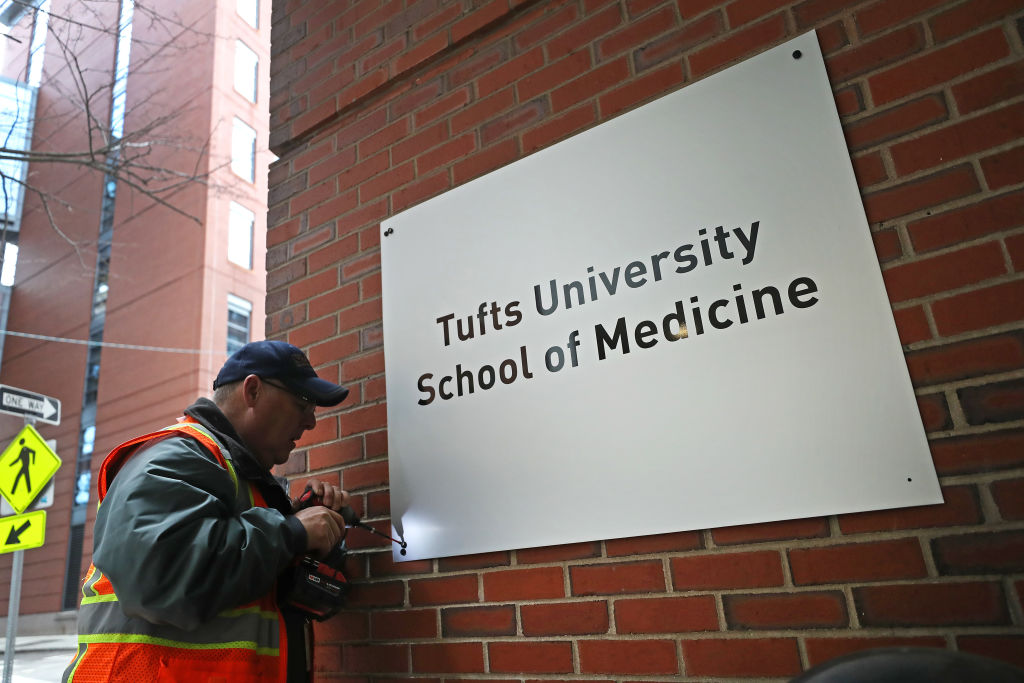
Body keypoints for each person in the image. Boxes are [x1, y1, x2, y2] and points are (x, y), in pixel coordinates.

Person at [62, 340, 351, 683]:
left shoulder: (241, 478)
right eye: (302, 403)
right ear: (253, 391)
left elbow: (271, 596)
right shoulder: (176, 456)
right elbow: (161, 578)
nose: (311, 422)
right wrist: (292, 532)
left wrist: (310, 534)